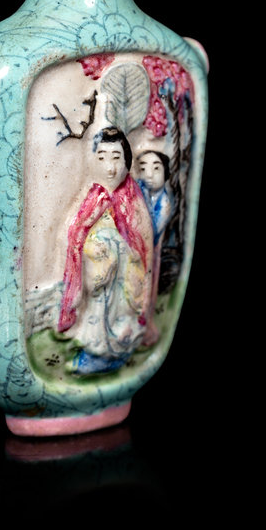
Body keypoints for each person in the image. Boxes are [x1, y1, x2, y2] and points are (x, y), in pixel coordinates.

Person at [57, 127, 154, 375]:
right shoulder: (95, 197)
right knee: (95, 315)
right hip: (98, 274)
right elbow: (77, 231)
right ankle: (94, 350)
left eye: (116, 158)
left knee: (117, 317)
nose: (110, 168)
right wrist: (93, 250)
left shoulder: (132, 199)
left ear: (127, 161)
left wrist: (118, 254)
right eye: (102, 158)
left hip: (122, 279)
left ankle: (114, 353)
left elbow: (141, 241)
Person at [135, 150, 174, 345]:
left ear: (165, 172)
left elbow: (152, 234)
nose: (148, 175)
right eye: (143, 169)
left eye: (156, 168)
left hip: (150, 256)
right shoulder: (141, 192)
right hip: (137, 254)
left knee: (146, 292)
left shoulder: (164, 204)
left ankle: (145, 329)